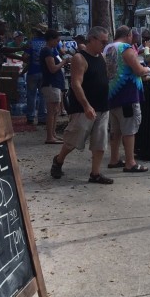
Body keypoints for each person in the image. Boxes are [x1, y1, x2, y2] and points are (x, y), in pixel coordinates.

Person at [51, 26, 113, 184]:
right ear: (92, 39)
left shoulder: (101, 57)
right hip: (84, 108)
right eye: (102, 42)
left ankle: (95, 173)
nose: (104, 45)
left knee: (100, 141)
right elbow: (76, 84)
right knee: (73, 139)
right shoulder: (80, 58)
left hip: (102, 106)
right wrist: (86, 105)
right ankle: (58, 160)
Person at [104, 25, 150, 173]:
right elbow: (138, 70)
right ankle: (130, 162)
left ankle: (114, 159)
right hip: (128, 95)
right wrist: (147, 69)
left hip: (112, 94)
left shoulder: (108, 48)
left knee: (115, 129)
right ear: (129, 35)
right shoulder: (125, 48)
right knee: (129, 130)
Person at [41, 29, 70, 144]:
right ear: (51, 39)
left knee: (56, 110)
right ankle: (49, 136)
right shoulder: (47, 51)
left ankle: (53, 134)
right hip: (51, 83)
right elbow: (52, 68)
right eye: (57, 40)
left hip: (56, 83)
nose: (58, 43)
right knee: (52, 110)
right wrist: (64, 62)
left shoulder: (53, 50)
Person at [24, 26, 47, 125]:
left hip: (32, 72)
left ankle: (30, 117)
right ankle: (42, 118)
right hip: (45, 73)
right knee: (43, 96)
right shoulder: (48, 43)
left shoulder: (31, 42)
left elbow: (25, 57)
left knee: (31, 95)